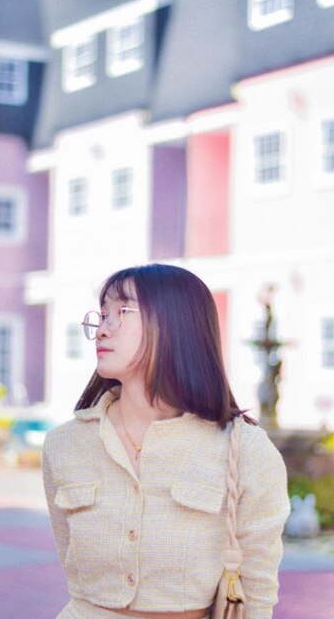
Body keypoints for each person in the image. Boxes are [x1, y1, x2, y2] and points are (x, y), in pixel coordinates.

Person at [42, 263, 290, 619]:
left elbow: (255, 594)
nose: (101, 331)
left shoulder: (246, 451)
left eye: (120, 312)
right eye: (102, 315)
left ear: (176, 324)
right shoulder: (64, 444)